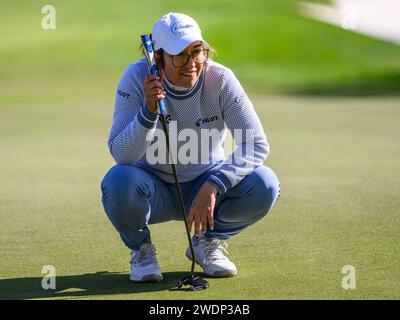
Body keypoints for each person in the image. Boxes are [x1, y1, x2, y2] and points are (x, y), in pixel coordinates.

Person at [101, 12, 280, 283]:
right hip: (151, 190)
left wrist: (214, 185)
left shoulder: (220, 79)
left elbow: (255, 143)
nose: (191, 64)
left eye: (197, 52)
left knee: (265, 183)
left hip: (205, 187)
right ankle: (142, 251)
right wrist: (148, 112)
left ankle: (206, 243)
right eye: (179, 55)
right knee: (117, 181)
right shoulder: (137, 78)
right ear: (158, 57)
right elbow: (121, 154)